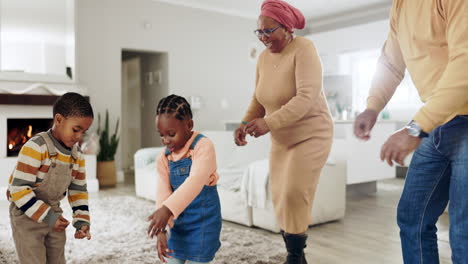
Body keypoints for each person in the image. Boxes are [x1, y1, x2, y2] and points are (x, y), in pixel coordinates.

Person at [353, 0, 468, 262]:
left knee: (463, 232)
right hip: (438, 123)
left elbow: (465, 63)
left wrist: (416, 127)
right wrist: (373, 106)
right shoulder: (401, 6)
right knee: (412, 219)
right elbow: (391, 63)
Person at [233, 0, 333, 263]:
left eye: (269, 31)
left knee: (294, 192)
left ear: (287, 28)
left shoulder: (304, 49)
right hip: (282, 139)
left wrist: (268, 123)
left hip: (312, 133)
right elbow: (258, 98)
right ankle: (295, 254)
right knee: (279, 195)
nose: (264, 38)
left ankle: (295, 255)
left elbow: (306, 98)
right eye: (260, 32)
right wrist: (244, 123)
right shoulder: (264, 58)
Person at [7, 92, 94, 263]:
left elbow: (78, 190)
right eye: (76, 130)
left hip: (54, 212)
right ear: (59, 120)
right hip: (26, 216)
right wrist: (48, 217)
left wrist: (82, 220)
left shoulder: (77, 155)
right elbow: (18, 190)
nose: (79, 137)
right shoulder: (35, 147)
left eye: (83, 132)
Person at [147, 94, 222, 264]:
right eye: (161, 135)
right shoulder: (164, 157)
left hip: (204, 224)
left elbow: (195, 182)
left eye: (171, 134)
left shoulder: (203, 146)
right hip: (178, 225)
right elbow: (162, 192)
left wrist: (166, 210)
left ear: (189, 125)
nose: (166, 140)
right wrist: (161, 230)